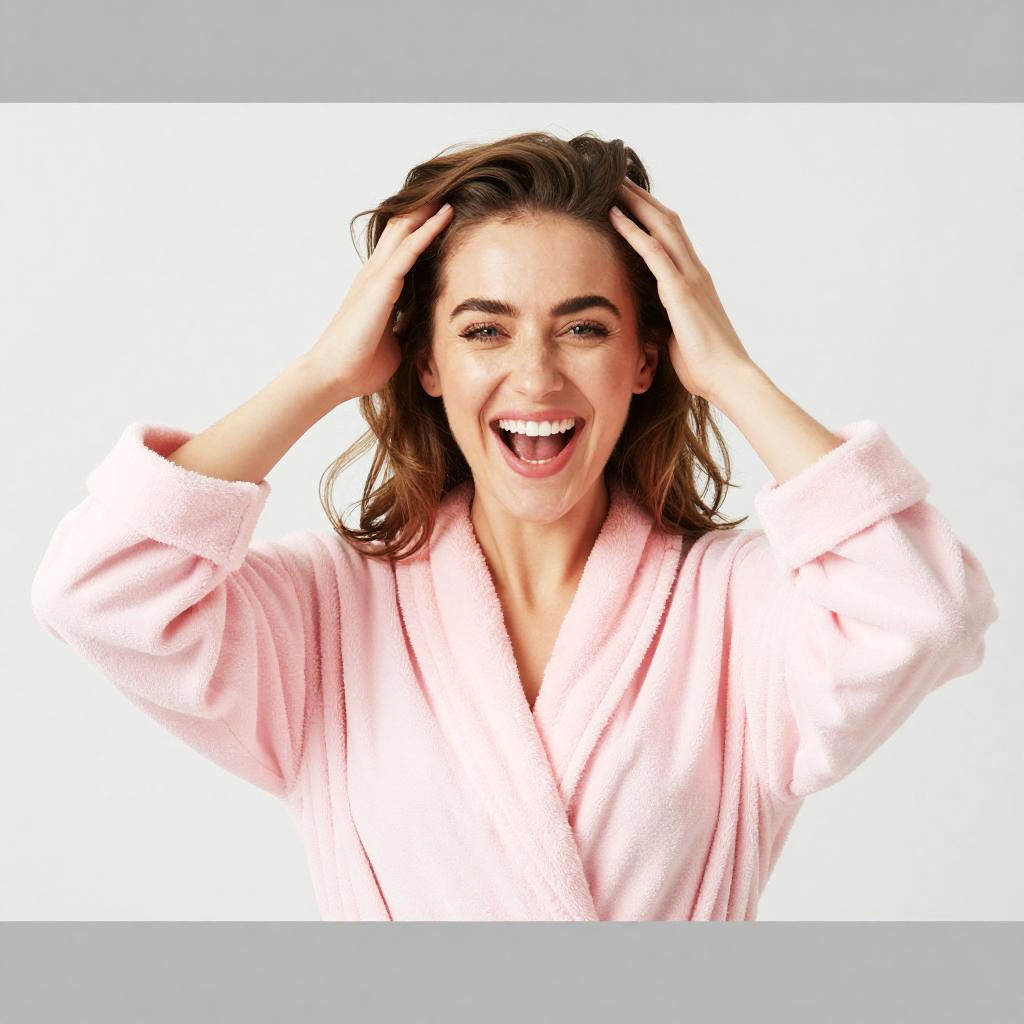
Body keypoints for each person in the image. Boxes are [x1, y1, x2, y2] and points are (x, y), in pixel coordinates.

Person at [30, 131, 998, 921]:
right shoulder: (330, 611)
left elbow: (925, 609)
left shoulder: (734, 608)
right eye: (484, 329)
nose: (535, 378)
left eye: (583, 327)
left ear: (649, 358)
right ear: (422, 361)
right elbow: (97, 588)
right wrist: (320, 373)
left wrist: (734, 373)